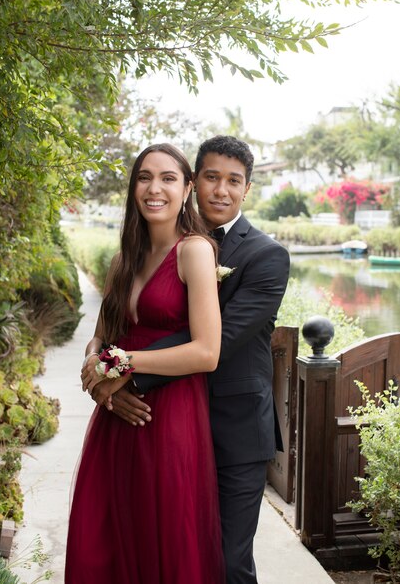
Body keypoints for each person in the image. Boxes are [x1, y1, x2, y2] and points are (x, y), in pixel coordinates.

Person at [94, 135, 291, 584]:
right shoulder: (163, 246)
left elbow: (218, 340)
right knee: (158, 552)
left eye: (233, 181)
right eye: (211, 178)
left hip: (232, 430)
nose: (221, 190)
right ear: (194, 183)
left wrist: (123, 374)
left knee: (225, 561)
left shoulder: (266, 256)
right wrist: (107, 376)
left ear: (247, 189)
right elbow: (123, 326)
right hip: (164, 423)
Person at [66, 143, 225, 584]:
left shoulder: (194, 251)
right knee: (107, 544)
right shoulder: (124, 260)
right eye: (144, 177)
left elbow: (207, 351)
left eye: (168, 178)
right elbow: (98, 338)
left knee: (163, 544)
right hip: (117, 420)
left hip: (168, 418)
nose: (154, 188)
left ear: (187, 188)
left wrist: (120, 364)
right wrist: (104, 389)